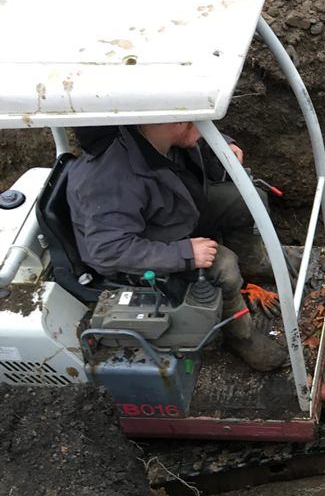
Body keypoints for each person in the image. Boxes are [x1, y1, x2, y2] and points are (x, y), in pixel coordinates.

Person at [66, 121, 287, 371]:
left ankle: (253, 263)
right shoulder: (110, 181)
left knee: (247, 200)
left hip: (170, 211)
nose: (203, 128)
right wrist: (184, 254)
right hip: (134, 253)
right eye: (197, 122)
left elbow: (193, 134)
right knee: (223, 265)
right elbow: (108, 250)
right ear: (177, 120)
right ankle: (240, 337)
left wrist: (221, 142)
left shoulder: (156, 135)